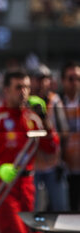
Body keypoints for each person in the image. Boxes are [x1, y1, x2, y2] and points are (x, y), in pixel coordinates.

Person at [0, 70, 59, 233]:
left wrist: (45, 118)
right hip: (2, 185)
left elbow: (51, 148)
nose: (23, 92)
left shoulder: (33, 118)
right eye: (18, 87)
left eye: (26, 87)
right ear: (6, 90)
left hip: (27, 186)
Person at [29, 64, 69, 212]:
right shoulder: (24, 100)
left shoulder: (54, 100)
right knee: (32, 210)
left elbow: (64, 132)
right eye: (38, 79)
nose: (41, 83)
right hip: (31, 165)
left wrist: (61, 161)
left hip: (53, 163)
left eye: (45, 79)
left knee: (60, 208)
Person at [59, 61, 80, 211]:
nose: (75, 82)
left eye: (78, 78)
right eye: (71, 78)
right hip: (62, 167)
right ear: (63, 80)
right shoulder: (55, 101)